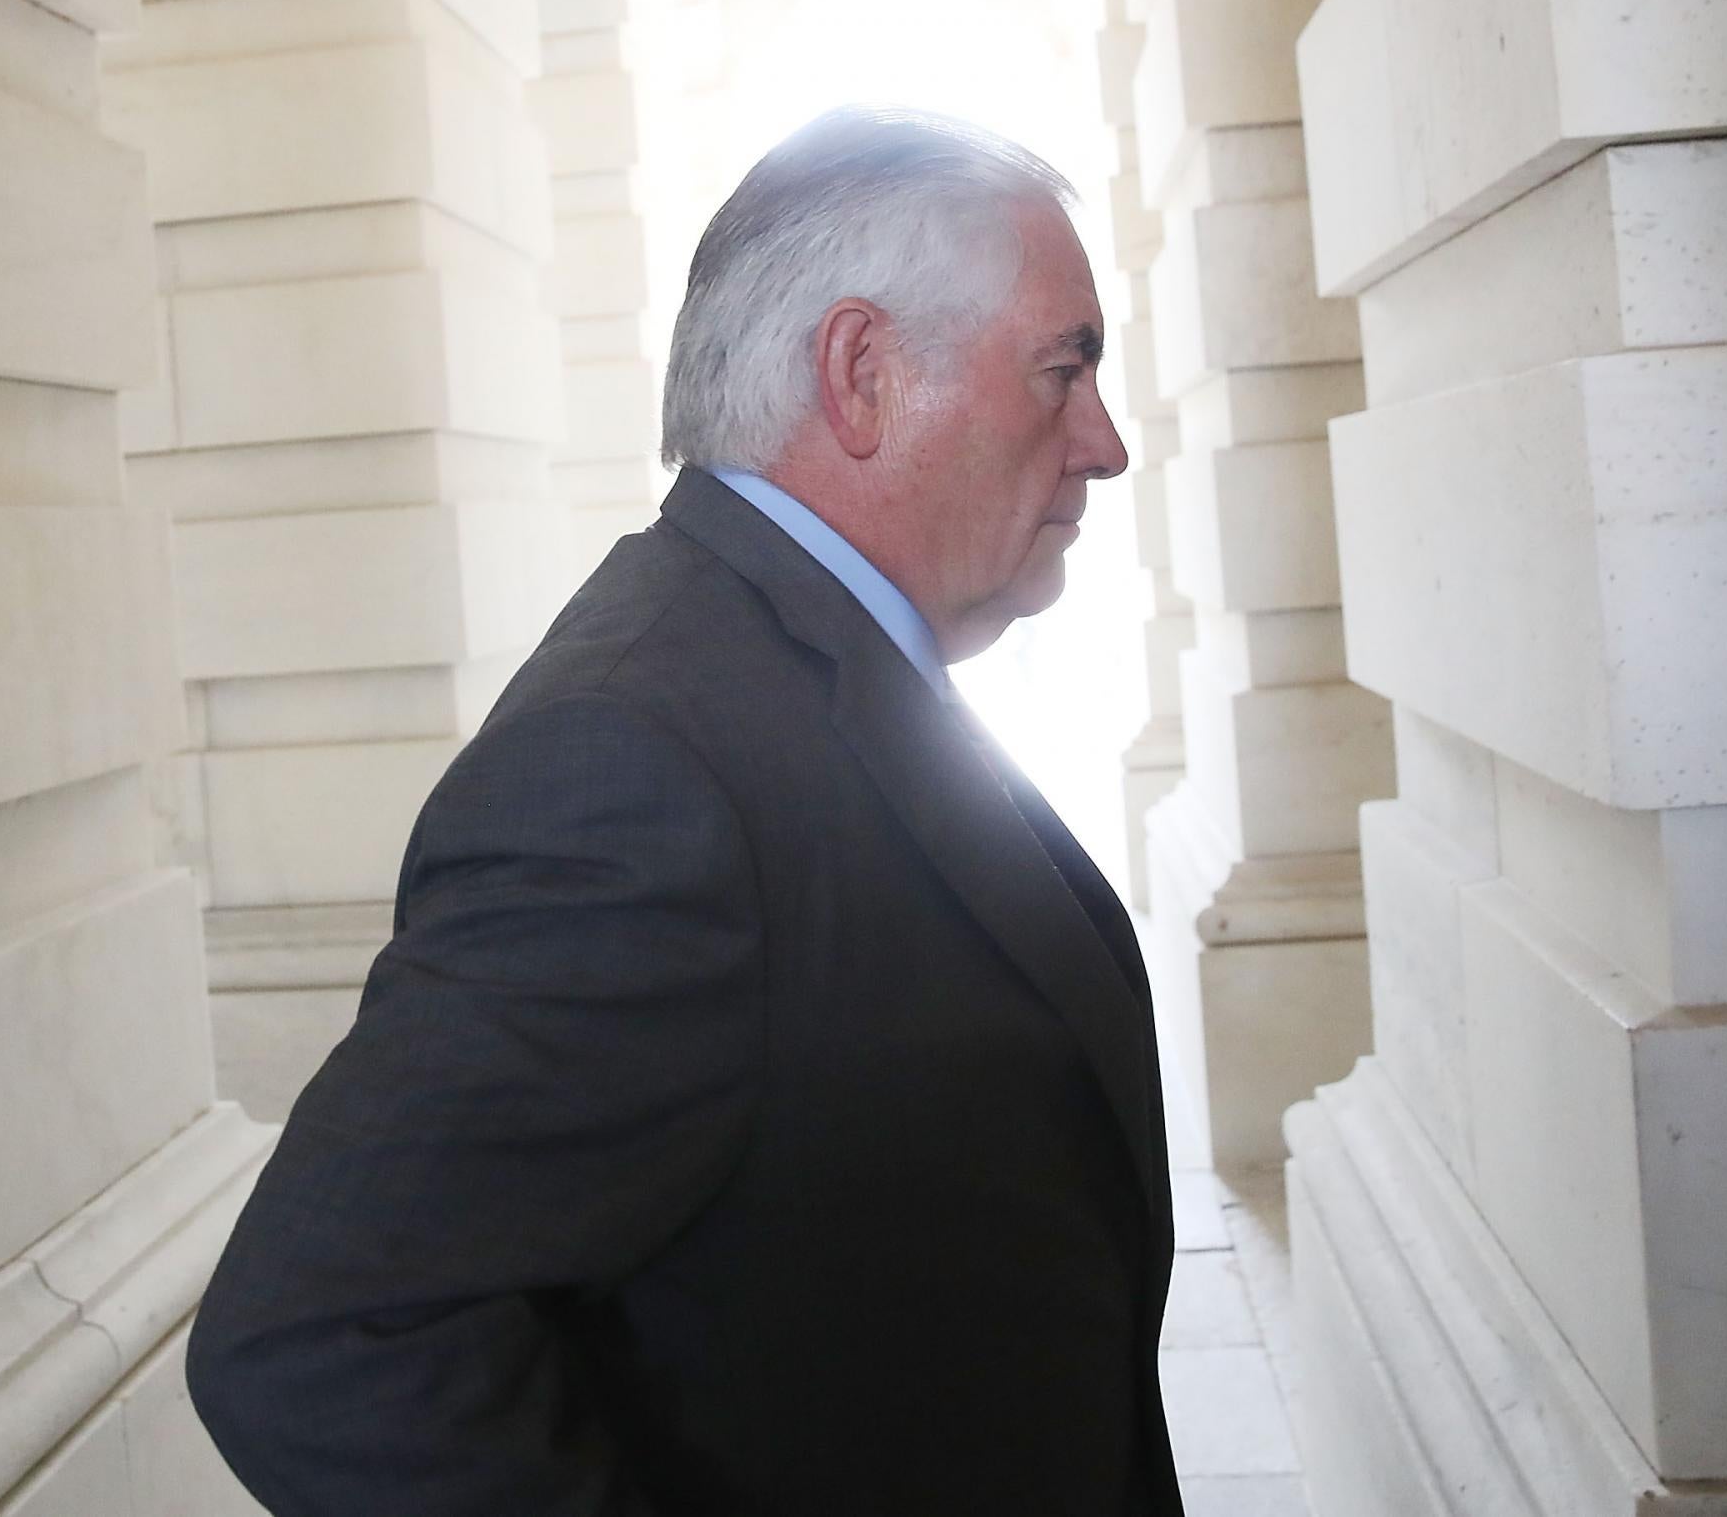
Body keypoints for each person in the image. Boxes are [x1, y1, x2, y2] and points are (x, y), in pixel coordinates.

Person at [186, 105, 1179, 1516]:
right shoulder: (631, 772)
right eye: (1063, 369)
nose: (1103, 441)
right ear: (863, 373)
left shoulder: (798, 659)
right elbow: (324, 1337)